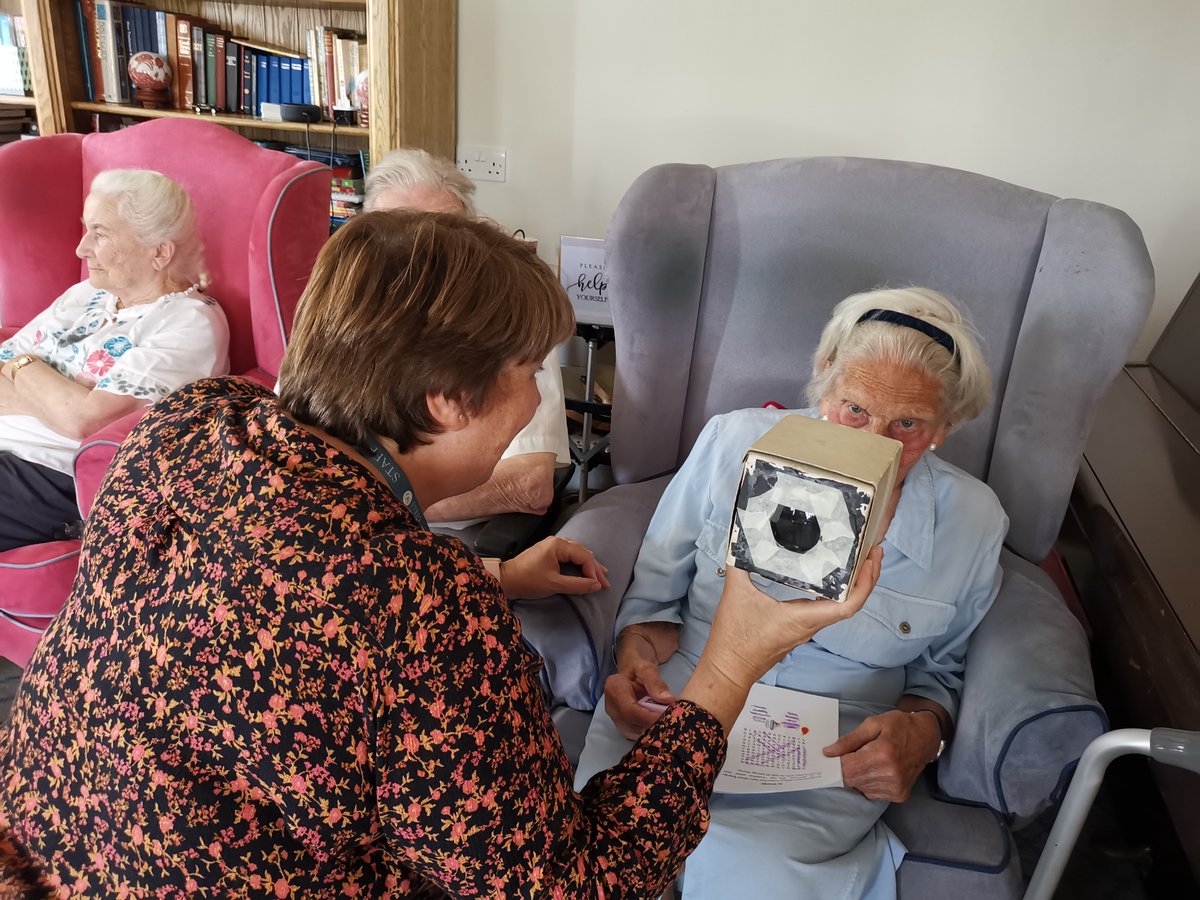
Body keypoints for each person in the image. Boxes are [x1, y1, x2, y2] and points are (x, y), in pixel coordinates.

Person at [0, 210, 882, 897]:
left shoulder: (192, 424)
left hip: (52, 843)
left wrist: (492, 573)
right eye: (533, 370)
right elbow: (571, 885)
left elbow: (267, 608)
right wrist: (732, 662)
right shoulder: (420, 610)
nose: (542, 391)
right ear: (448, 401)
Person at [574, 287, 1008, 899]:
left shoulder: (974, 519)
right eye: (854, 409)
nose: (876, 441)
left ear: (944, 429)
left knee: (753, 879)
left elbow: (943, 673)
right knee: (594, 868)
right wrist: (634, 663)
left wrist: (924, 732)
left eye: (908, 424)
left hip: (824, 762)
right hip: (677, 713)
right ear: (823, 388)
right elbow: (652, 607)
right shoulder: (732, 443)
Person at [0, 168, 229, 551]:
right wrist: (57, 397)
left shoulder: (190, 320)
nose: (81, 248)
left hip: (49, 474)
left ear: (159, 252)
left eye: (100, 233)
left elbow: (87, 420)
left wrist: (25, 366)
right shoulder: (85, 294)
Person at [365, 147, 570, 531]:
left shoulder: (516, 328)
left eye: (447, 241)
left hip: (458, 539)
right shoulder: (341, 329)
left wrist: (372, 500)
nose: (422, 265)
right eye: (397, 240)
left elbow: (528, 484)